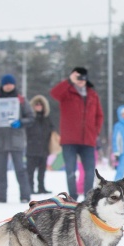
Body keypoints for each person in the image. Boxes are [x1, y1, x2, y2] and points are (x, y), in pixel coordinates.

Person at [50, 66, 103, 198]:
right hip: (69, 140)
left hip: (88, 140)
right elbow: (54, 93)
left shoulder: (92, 94)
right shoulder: (67, 92)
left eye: (82, 77)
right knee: (70, 170)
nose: (80, 80)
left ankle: (88, 197)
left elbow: (99, 115)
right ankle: (72, 197)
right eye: (77, 77)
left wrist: (95, 132)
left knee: (90, 171)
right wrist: (69, 81)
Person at [0, 75, 33, 203]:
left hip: (16, 140)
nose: (8, 86)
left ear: (14, 85)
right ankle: (1, 196)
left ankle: (25, 195)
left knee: (20, 170)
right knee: (0, 170)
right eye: (6, 84)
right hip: (0, 139)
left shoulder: (21, 100)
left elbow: (30, 117)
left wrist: (20, 122)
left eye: (10, 84)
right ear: (2, 85)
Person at [27, 95, 55, 195]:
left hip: (44, 148)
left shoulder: (47, 119)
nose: (39, 106)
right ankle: (30, 187)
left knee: (42, 171)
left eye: (41, 104)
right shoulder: (30, 119)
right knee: (30, 171)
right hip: (31, 148)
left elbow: (51, 131)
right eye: (37, 104)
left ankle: (41, 187)